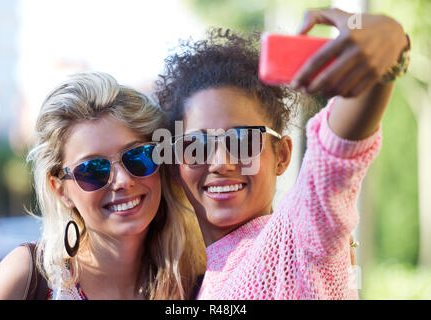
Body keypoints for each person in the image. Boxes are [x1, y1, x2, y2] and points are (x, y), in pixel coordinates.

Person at [154, 8, 410, 299]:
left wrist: (387, 37)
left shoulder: (300, 238)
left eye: (243, 140)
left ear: (282, 155)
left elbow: (337, 153)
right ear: (175, 166)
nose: (221, 163)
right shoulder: (193, 281)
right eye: (197, 146)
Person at [0, 72, 205, 300]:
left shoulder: (198, 281)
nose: (123, 181)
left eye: (138, 156)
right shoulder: (28, 276)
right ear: (60, 190)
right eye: (93, 170)